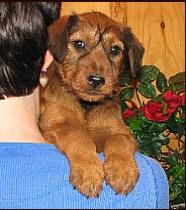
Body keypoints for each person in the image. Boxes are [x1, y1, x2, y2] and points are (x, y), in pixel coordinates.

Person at [0, 2, 169, 209]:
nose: (97, 71)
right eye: (79, 45)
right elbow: (55, 127)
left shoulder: (111, 107)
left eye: (114, 50)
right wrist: (82, 152)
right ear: (54, 51)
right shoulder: (53, 98)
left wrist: (120, 154)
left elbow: (120, 135)